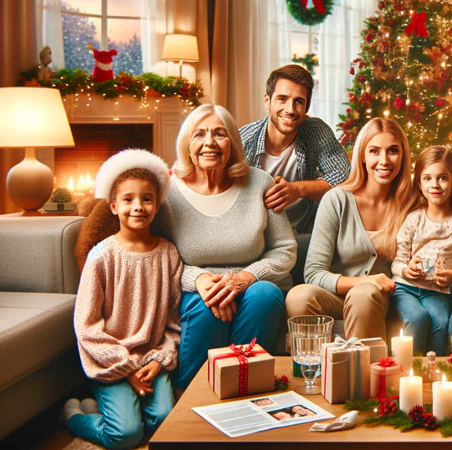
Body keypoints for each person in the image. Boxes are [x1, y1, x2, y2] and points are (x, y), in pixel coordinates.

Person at [157, 104, 296, 391]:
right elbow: (158, 256)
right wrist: (199, 279)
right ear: (187, 144)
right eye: (199, 134)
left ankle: (244, 387)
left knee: (264, 295)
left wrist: (245, 278)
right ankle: (192, 396)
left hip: (254, 284)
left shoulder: (259, 183)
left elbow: (285, 249)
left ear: (233, 141)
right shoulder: (167, 192)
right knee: (207, 307)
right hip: (199, 291)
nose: (209, 142)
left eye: (219, 134)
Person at [64, 150, 181, 450]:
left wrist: (158, 362)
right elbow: (86, 325)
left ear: (156, 205)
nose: (138, 207)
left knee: (164, 424)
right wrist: (125, 368)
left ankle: (118, 410)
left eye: (147, 199)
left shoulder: (168, 254)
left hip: (151, 362)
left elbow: (174, 322)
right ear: (114, 205)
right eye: (128, 199)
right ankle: (78, 416)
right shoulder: (101, 256)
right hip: (112, 364)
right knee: (126, 436)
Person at [285, 117, 418, 339]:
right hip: (338, 295)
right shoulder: (337, 199)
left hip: (386, 297)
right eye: (374, 151)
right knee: (298, 296)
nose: (384, 160)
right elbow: (314, 273)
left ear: (403, 156)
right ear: (363, 157)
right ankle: (316, 370)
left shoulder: (414, 204)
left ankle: (361, 372)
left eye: (393, 151)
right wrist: (363, 281)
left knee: (364, 295)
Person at [239, 65, 352, 283]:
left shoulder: (315, 131)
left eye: (298, 101)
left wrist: (297, 190)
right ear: (267, 100)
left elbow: (344, 177)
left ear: (307, 106)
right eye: (282, 99)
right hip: (253, 233)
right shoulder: (243, 140)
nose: (290, 109)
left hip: (301, 232)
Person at [391, 145, 452, 356]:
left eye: (442, 178)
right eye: (427, 178)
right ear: (419, 183)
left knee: (441, 320)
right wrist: (405, 270)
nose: (434, 185)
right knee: (418, 318)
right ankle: (409, 368)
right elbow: (398, 261)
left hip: (437, 290)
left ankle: (435, 370)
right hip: (406, 287)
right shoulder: (413, 219)